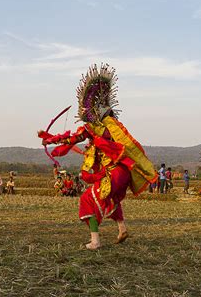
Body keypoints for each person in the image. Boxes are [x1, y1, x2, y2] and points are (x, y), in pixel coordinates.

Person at [39, 63, 156, 250]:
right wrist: (51, 139)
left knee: (87, 199)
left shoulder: (95, 128)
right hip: (123, 172)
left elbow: (72, 138)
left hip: (114, 172)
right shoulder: (112, 129)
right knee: (110, 200)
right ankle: (122, 228)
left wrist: (50, 140)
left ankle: (95, 241)